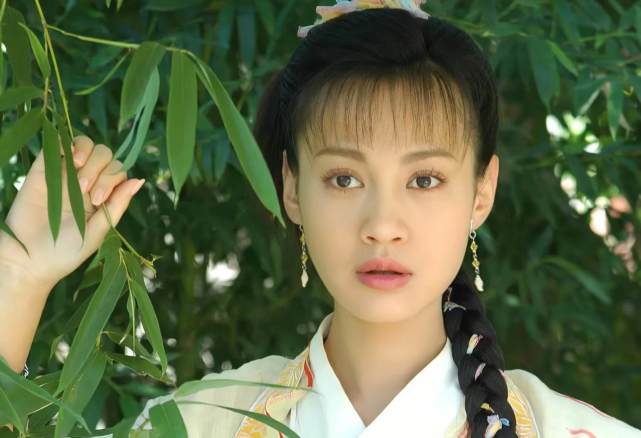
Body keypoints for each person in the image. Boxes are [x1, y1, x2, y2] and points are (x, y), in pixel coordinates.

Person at [0, 1, 639, 437]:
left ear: (481, 192)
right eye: (344, 178)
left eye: (424, 180)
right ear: (292, 188)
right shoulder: (198, 423)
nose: (382, 224)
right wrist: (17, 278)